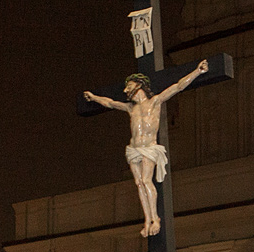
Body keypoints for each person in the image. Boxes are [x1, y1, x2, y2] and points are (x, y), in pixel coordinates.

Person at [84, 60, 209, 237]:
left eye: (129, 86)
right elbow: (110, 103)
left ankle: (155, 219)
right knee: (138, 183)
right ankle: (147, 219)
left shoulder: (155, 102)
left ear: (139, 86)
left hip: (148, 147)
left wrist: (198, 71)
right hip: (133, 149)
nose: (126, 91)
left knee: (146, 179)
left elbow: (178, 86)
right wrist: (94, 97)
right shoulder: (130, 108)